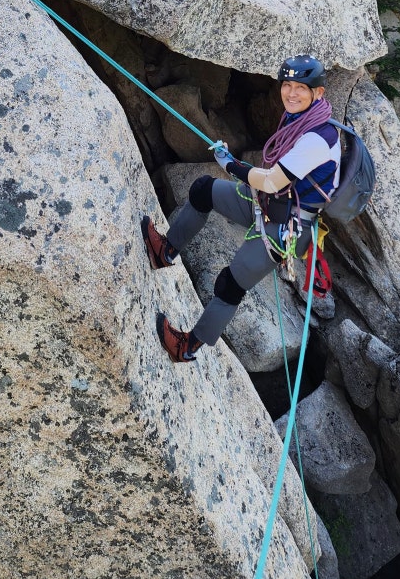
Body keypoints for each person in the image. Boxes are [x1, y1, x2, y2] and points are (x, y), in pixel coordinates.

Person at [142, 54, 341, 362]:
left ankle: (187, 347)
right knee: (203, 190)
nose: (291, 93)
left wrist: (231, 165)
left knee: (229, 285)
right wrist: (235, 166)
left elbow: (274, 180)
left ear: (318, 93)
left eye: (300, 87)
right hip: (266, 203)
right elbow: (274, 181)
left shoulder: (319, 137)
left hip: (285, 227)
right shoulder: (299, 119)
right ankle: (165, 252)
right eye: (286, 85)